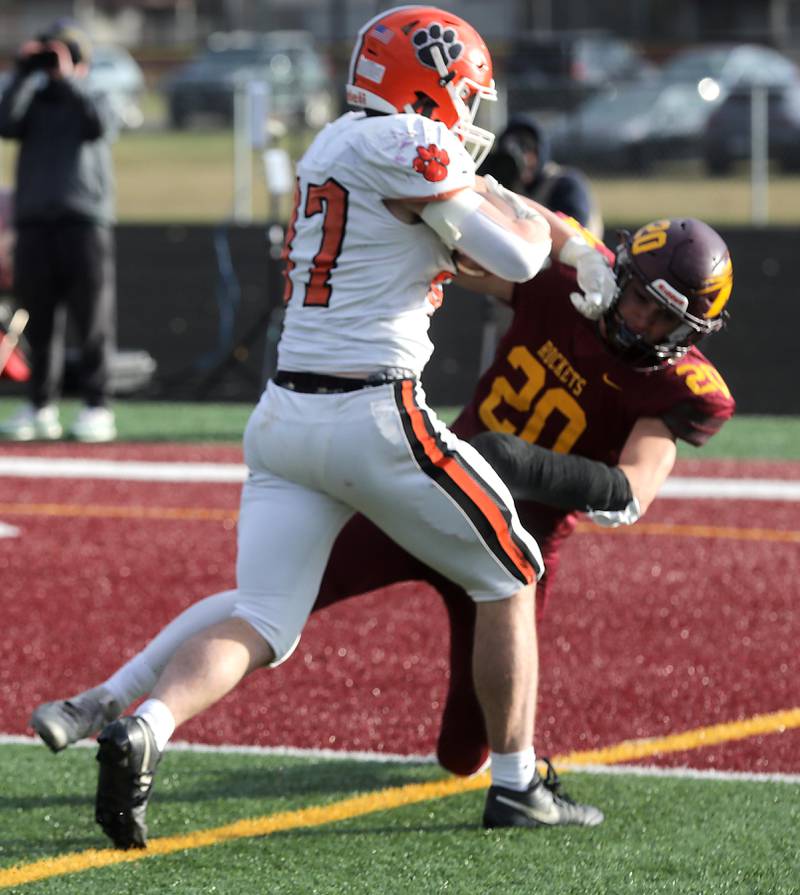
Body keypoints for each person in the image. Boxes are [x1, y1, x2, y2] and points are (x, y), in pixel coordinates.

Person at [48, 6, 610, 850]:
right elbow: (516, 258)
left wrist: (562, 238)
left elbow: (467, 219)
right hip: (372, 411)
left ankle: (146, 726)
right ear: (430, 83)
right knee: (513, 571)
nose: (470, 110)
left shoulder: (339, 144)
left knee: (265, 620)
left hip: (284, 419)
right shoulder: (408, 146)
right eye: (464, 92)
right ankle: (519, 781)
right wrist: (555, 241)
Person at [32, 211, 734, 822]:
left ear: (693, 328)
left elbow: (631, 491)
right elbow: (457, 262)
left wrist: (515, 461)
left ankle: (504, 775)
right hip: (424, 496)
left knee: (463, 755)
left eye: (661, 314)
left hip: (499, 517)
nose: (638, 318)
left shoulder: (685, 386)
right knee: (267, 604)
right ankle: (105, 698)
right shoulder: (567, 288)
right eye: (637, 296)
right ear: (618, 270)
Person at [0, 22, 118, 443]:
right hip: (34, 224)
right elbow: (4, 123)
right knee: (39, 321)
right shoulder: (30, 99)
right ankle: (40, 405)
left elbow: (101, 124)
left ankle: (96, 406)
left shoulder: (95, 94)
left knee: (93, 321)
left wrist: (70, 79)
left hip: (84, 221)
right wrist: (20, 73)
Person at [480, 114, 603, 238]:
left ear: (540, 151)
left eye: (527, 147)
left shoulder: (564, 184)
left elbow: (573, 234)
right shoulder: (506, 182)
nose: (522, 158)